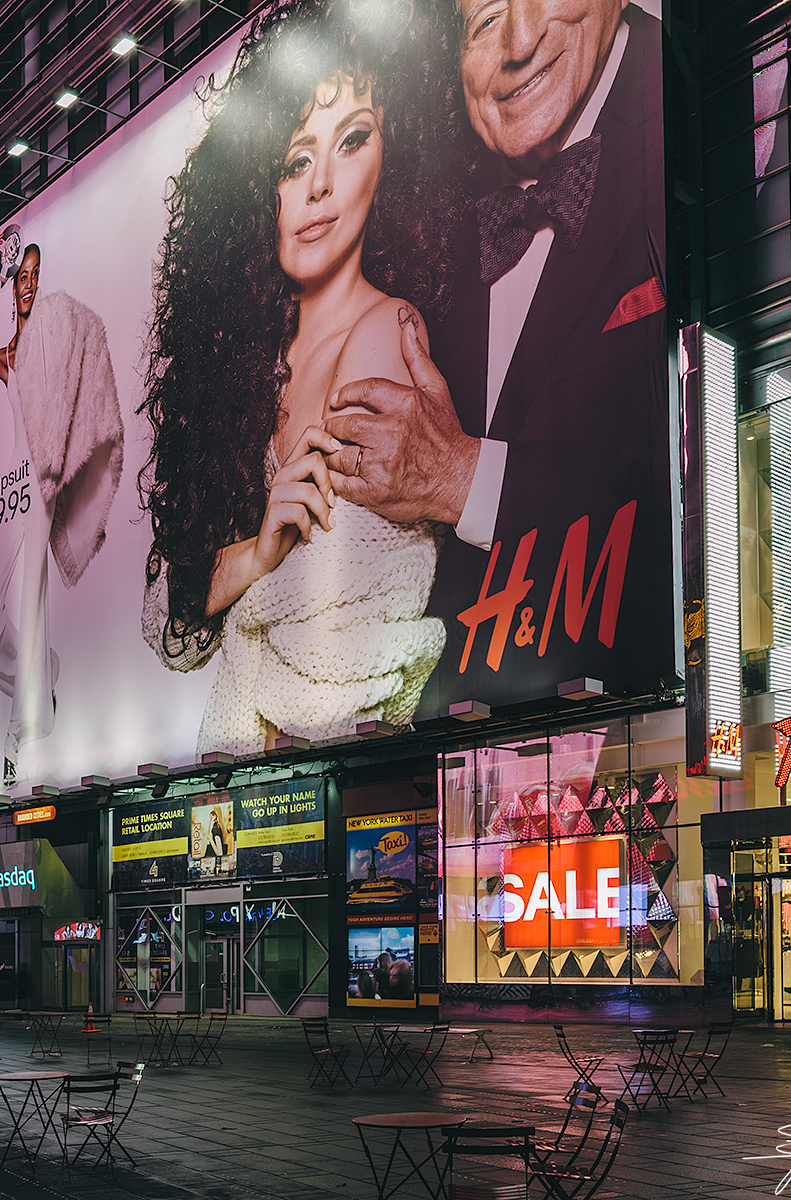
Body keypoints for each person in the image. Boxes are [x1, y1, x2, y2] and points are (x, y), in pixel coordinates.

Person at [139, 0, 468, 755]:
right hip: (253, 788)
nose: (319, 185)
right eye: (294, 160)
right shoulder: (240, 373)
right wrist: (260, 554)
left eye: (352, 141)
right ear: (261, 190)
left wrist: (231, 586)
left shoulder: (389, 331)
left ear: (390, 163)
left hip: (350, 781)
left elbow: (338, 658)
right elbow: (164, 620)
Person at [322, 0, 672, 708]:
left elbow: (716, 474)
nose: (518, 41)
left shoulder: (706, 93)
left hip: (660, 714)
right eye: (480, 23)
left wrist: (465, 478)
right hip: (458, 750)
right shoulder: (419, 204)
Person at [0, 237, 125, 788]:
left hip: (43, 481)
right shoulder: (10, 354)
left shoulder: (51, 344)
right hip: (12, 485)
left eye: (36, 273)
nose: (29, 281)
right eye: (21, 275)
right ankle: (44, 670)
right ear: (12, 286)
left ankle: (21, 733)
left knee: (32, 600)